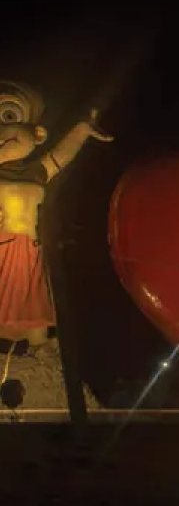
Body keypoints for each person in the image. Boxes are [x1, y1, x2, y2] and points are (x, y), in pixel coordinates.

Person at [0, 80, 112, 350]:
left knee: (33, 303)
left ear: (38, 134)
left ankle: (42, 360)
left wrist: (82, 130)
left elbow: (60, 156)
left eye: (9, 116)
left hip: (29, 248)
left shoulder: (35, 171)